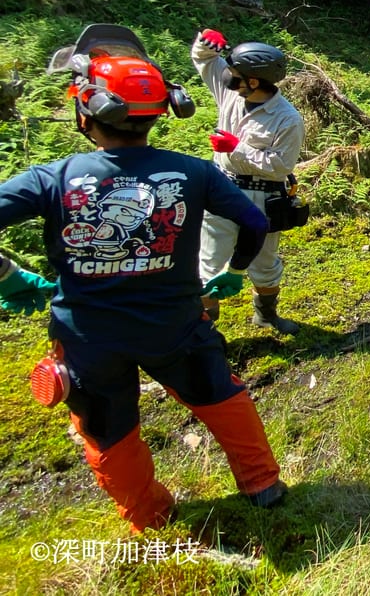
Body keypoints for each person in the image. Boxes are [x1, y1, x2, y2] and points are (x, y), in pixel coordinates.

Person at [0, 44, 285, 533]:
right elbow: (255, 222)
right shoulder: (192, 172)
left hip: (88, 336)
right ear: (161, 112)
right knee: (218, 394)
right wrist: (236, 271)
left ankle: (150, 518)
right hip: (175, 323)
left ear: (86, 112)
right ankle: (263, 485)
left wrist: (8, 274)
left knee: (107, 429)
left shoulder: (54, 178)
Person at [192, 29, 305, 334]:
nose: (227, 77)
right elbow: (204, 61)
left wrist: (236, 148)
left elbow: (281, 166)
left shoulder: (288, 119)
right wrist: (206, 42)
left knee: (265, 263)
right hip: (221, 188)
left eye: (235, 74)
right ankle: (203, 332)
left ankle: (266, 315)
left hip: (263, 197)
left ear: (253, 82)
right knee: (209, 261)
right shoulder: (230, 93)